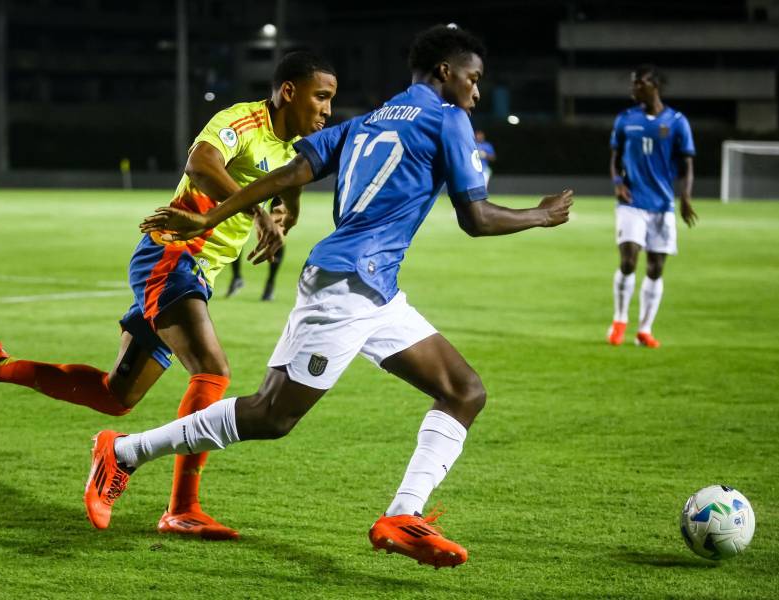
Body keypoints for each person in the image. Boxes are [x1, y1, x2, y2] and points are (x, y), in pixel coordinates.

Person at [84, 25, 572, 568]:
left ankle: (403, 515)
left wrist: (214, 213)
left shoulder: (367, 120)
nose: (476, 93)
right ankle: (123, 452)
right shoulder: (448, 119)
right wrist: (542, 214)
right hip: (346, 286)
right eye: (473, 79)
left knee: (464, 391)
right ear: (444, 73)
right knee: (272, 415)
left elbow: (291, 171)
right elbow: (475, 218)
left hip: (375, 287)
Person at [0, 51, 338, 539]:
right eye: (320, 97)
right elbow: (201, 163)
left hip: (194, 273)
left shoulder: (292, 147)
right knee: (212, 371)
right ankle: (182, 507)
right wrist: (260, 214)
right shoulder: (241, 120)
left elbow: (289, 176)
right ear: (289, 91)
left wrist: (288, 208)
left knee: (116, 395)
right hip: (170, 258)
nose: (327, 109)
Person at [607, 64, 697, 348]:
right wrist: (618, 181)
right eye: (633, 83)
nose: (633, 88)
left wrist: (684, 197)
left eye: (639, 83)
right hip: (631, 202)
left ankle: (644, 329)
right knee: (628, 260)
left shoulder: (677, 121)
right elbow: (614, 156)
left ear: (654, 86)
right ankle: (620, 319)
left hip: (662, 205)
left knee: (656, 268)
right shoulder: (625, 120)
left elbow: (687, 164)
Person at [226, 199, 286, 301]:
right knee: (235, 228)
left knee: (276, 230)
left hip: (276, 187)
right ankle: (237, 277)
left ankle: (270, 283)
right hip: (252, 186)